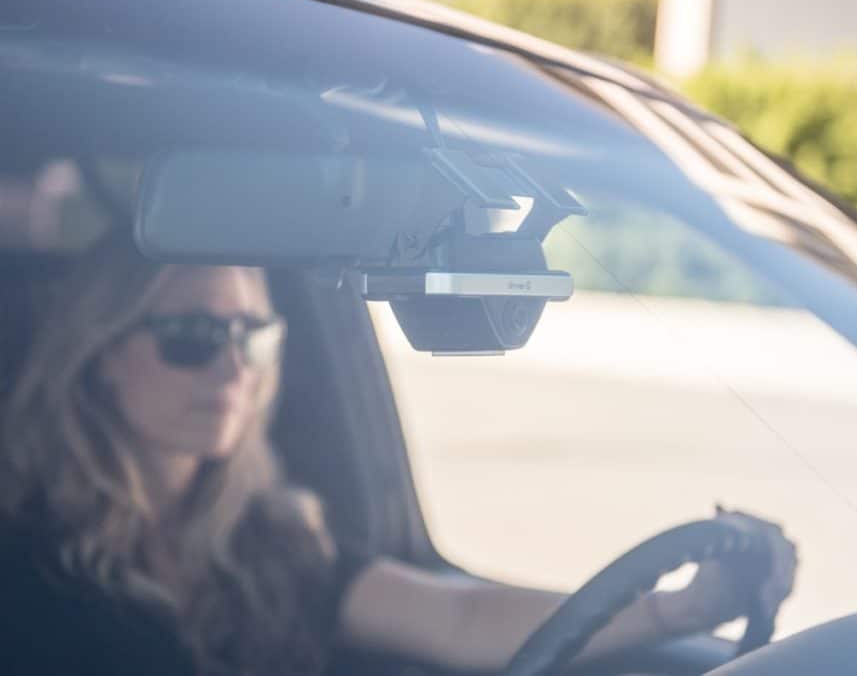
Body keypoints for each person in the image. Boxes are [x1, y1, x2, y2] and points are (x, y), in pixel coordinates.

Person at [0, 231, 797, 675]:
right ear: (99, 354)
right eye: (192, 336)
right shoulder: (24, 555)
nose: (232, 366)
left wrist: (673, 610)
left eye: (252, 334)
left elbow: (457, 616)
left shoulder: (272, 541)